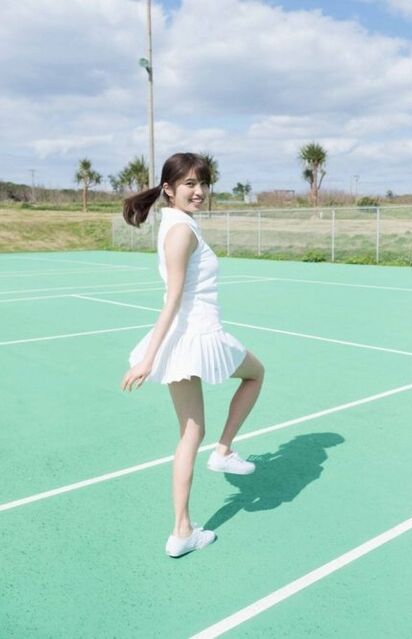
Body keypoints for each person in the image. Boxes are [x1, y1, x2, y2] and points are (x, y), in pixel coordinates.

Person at [121, 152, 264, 558]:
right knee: (256, 374)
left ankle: (182, 530)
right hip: (198, 335)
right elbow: (173, 299)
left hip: (185, 338)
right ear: (169, 189)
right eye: (189, 184)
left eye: (203, 183)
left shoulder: (174, 223)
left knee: (190, 433)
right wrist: (149, 358)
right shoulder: (181, 231)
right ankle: (223, 452)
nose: (199, 191)